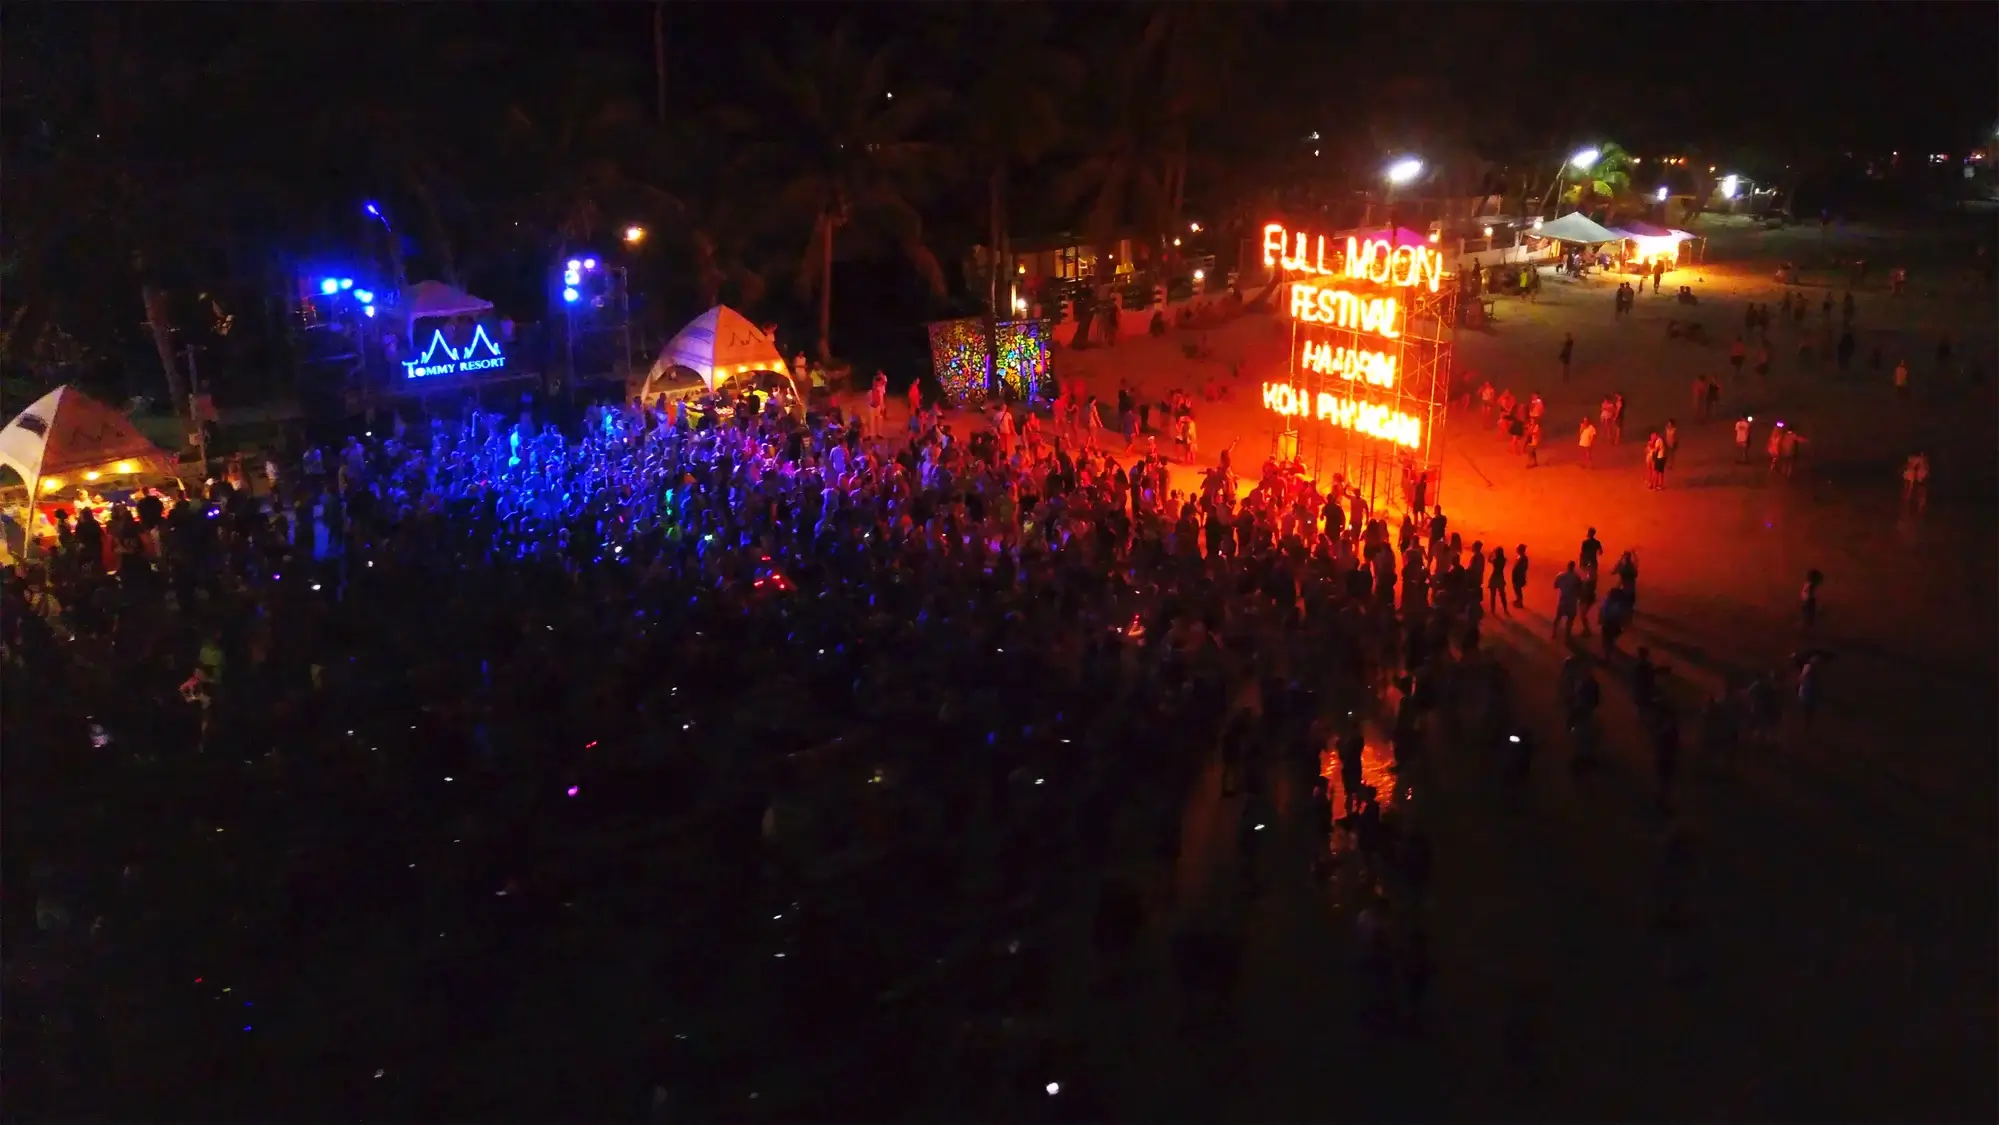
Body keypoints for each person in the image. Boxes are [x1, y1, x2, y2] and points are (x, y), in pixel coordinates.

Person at [1902, 450, 1930, 515]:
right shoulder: (1917, 459)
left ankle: (1910, 503)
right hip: (1913, 473)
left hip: (1916, 473)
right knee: (1909, 488)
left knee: (1913, 488)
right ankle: (1907, 503)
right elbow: (1912, 466)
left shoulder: (1917, 459)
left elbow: (1912, 465)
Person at [1510, 544, 1529, 609]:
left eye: (1517, 549)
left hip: (1519, 577)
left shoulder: (1523, 558)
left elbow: (1524, 568)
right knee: (1517, 589)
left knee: (1517, 589)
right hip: (1517, 576)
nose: (1516, 550)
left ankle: (1520, 602)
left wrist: (1519, 575)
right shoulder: (1520, 557)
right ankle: (1518, 600)